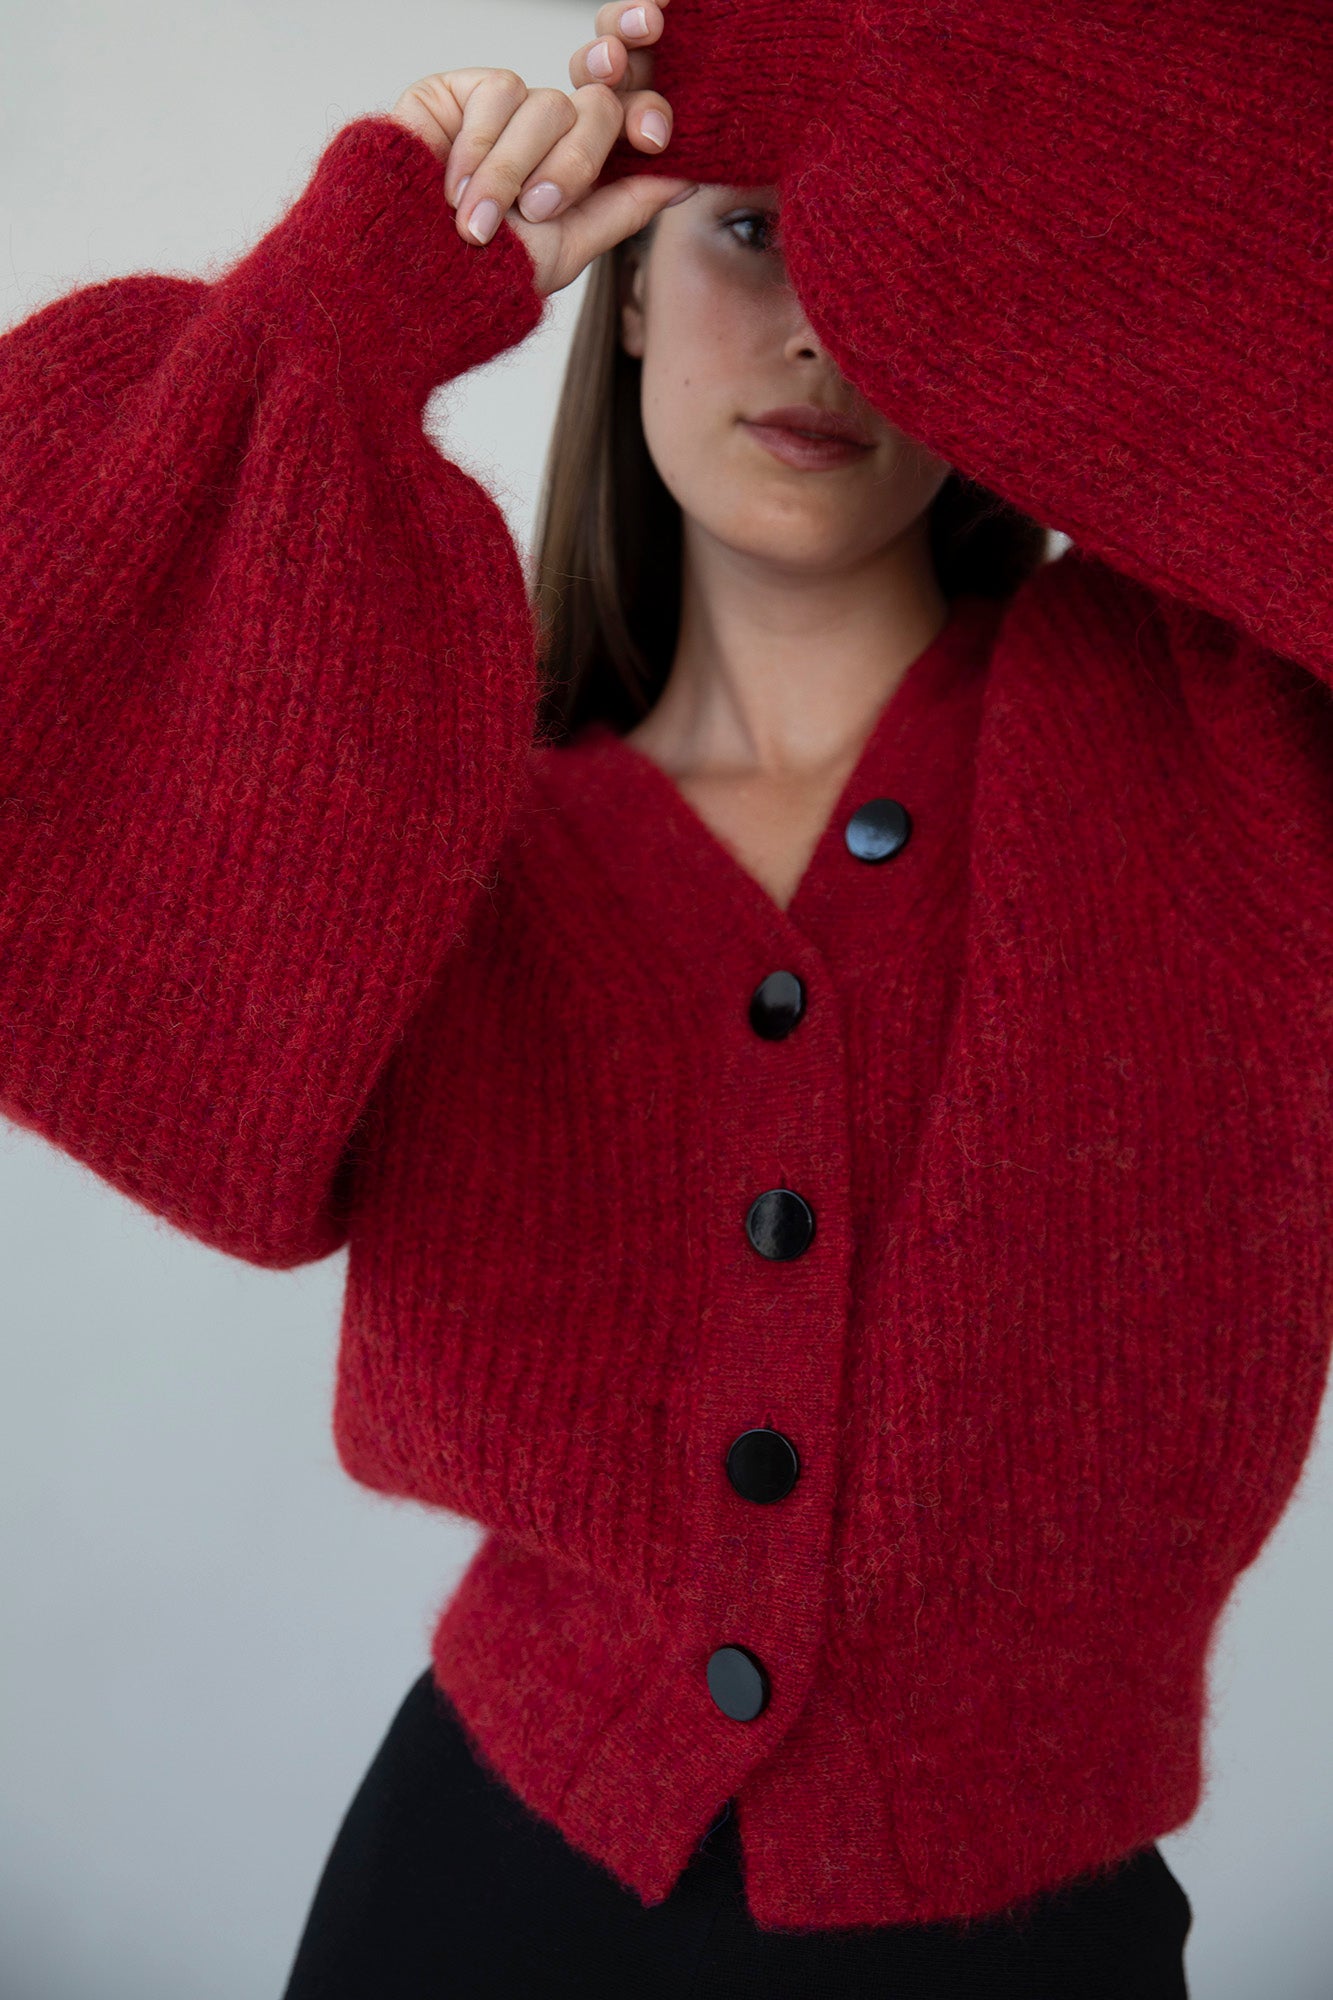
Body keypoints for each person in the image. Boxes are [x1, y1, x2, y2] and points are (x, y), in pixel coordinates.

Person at [2, 0, 1328, 1993]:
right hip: (479, 1891)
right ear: (621, 290)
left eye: (892, 262)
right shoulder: (432, 832)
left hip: (1030, 1932)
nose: (818, 331)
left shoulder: (1221, 741)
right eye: (744, 234)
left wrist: (891, 64)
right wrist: (347, 312)